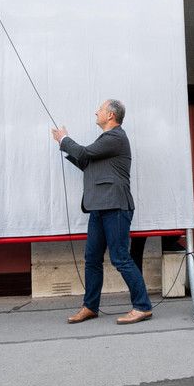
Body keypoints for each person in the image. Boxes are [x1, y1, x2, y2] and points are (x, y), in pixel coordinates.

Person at [52, 99, 153, 325]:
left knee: (120, 258)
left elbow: (85, 153)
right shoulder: (106, 141)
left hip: (115, 206)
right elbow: (87, 162)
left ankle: (142, 307)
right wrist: (66, 146)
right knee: (92, 258)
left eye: (100, 109)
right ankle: (90, 307)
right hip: (99, 206)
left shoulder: (115, 137)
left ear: (110, 115)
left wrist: (64, 139)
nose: (95, 112)